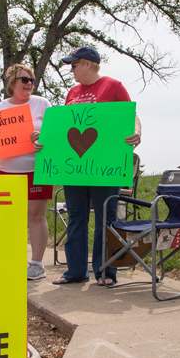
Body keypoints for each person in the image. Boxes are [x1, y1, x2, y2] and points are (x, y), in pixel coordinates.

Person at [36, 46, 141, 286]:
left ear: (87, 64)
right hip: (74, 167)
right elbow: (65, 128)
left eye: (73, 65)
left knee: (107, 217)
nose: (70, 70)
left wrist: (137, 132)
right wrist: (44, 143)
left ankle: (105, 272)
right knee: (76, 217)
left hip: (105, 167)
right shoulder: (72, 91)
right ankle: (75, 272)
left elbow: (131, 115)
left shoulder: (113, 86)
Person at [0, 64, 52, 280]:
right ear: (12, 82)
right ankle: (10, 259)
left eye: (32, 80)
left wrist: (41, 136)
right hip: (4, 170)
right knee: (6, 218)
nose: (29, 84)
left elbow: (56, 134)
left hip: (35, 169)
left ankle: (37, 265)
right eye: (24, 80)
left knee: (36, 215)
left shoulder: (42, 104)